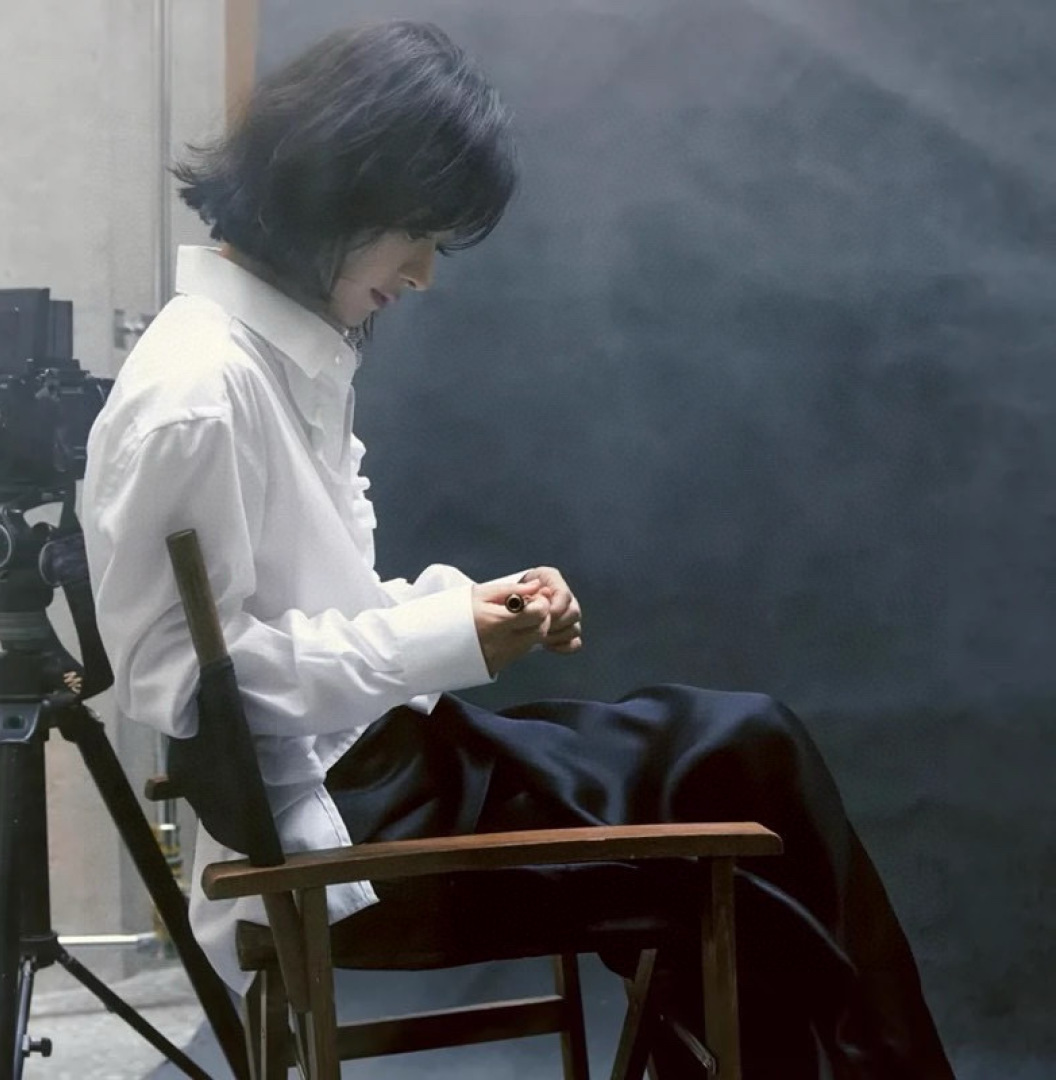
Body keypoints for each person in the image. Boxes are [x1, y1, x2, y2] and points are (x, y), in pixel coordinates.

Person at [82, 20, 955, 1079]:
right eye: (417, 233)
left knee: (737, 753)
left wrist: (472, 612)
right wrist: (443, 641)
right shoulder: (199, 392)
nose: (422, 273)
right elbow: (185, 686)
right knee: (743, 754)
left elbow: (315, 610)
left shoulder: (276, 358)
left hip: (384, 770)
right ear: (333, 189)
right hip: (346, 823)